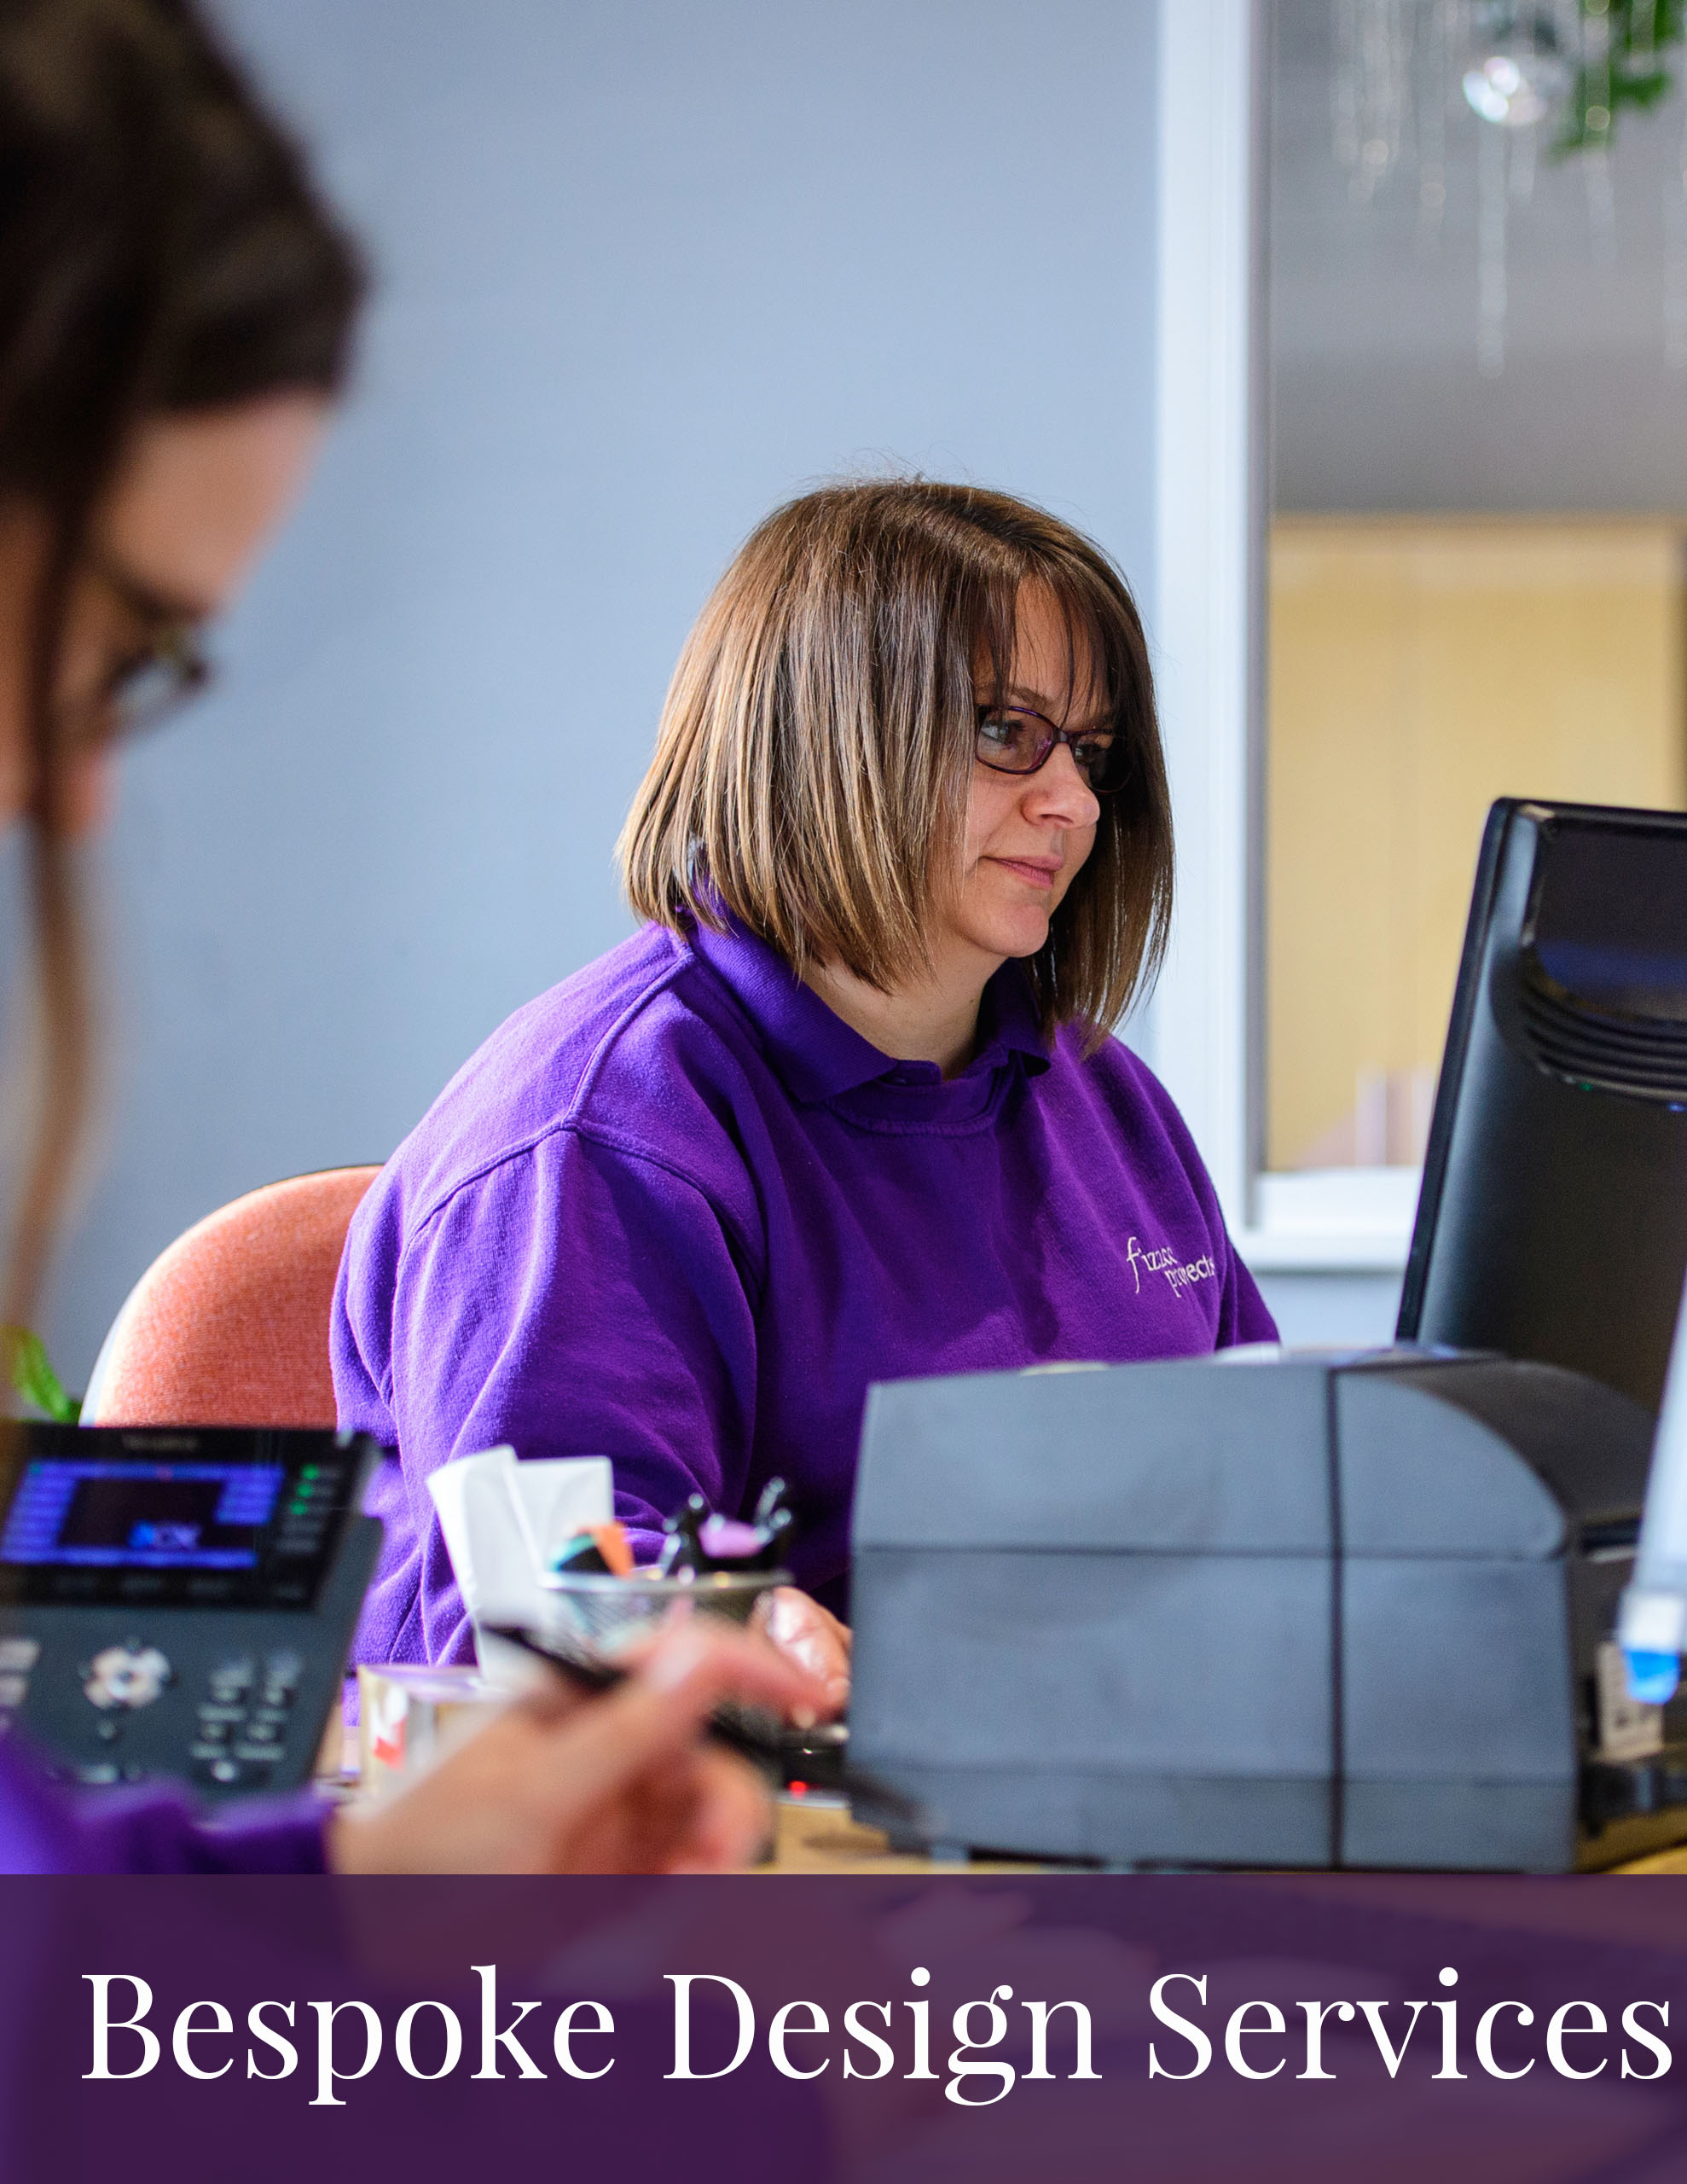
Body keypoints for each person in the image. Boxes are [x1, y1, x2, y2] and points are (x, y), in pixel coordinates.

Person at [0, 0, 824, 1875]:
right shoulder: (599, 1113)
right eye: (113, 644)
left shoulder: (1091, 1107)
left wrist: (365, 1893)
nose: (78, 791)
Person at [333, 480, 1279, 1694]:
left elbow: (1274, 1508)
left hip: (1101, 1791)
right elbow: (561, 1628)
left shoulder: (1112, 1107)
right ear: (826, 733)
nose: (1077, 803)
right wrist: (728, 1636)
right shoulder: (603, 1128)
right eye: (1008, 732)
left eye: (1091, 752)